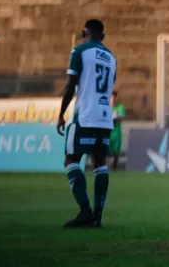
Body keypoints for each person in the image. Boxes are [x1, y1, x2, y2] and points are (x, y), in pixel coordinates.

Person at [57, 19, 118, 228]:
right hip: (104, 117)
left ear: (85, 32)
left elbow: (70, 86)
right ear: (103, 36)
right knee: (100, 162)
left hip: (85, 115)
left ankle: (85, 212)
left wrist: (61, 114)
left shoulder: (80, 51)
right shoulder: (111, 58)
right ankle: (97, 217)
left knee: (71, 159)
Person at [109, 91, 125, 170]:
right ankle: (105, 169)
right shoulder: (107, 107)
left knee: (116, 153)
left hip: (116, 134)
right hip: (108, 134)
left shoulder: (120, 107)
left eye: (114, 97)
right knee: (106, 153)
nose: (113, 99)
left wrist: (111, 119)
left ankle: (114, 169)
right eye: (112, 97)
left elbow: (121, 118)